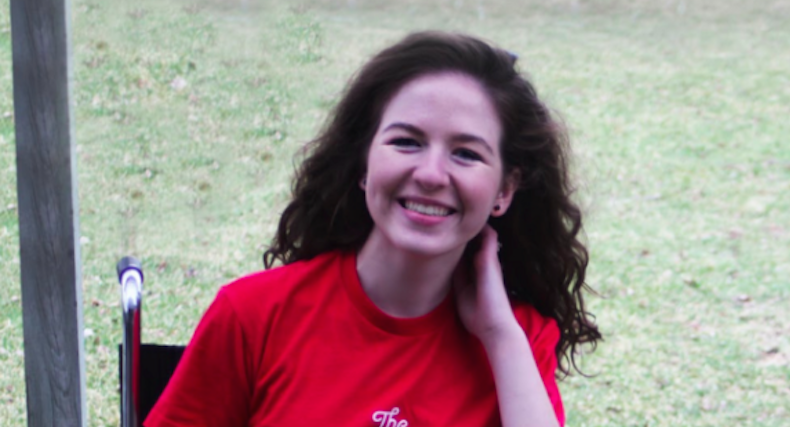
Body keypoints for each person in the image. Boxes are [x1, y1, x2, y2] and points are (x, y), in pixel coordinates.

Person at [146, 31, 601, 427]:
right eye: (406, 141)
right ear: (363, 164)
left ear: (505, 189)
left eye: (466, 153)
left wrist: (498, 334)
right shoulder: (253, 315)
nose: (431, 174)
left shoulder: (519, 337)